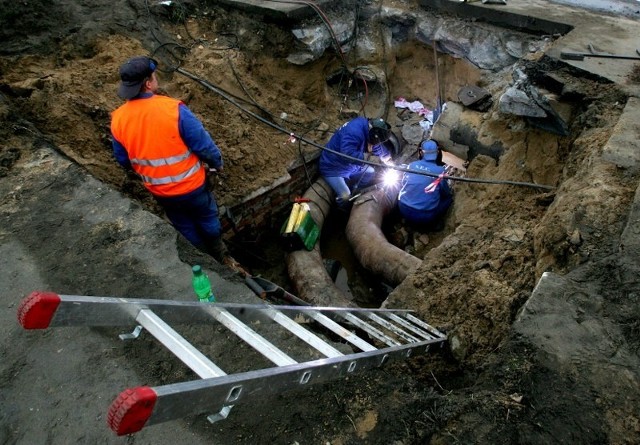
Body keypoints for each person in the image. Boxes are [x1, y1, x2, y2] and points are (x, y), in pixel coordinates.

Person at [110, 56, 229, 262]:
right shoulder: (173, 109)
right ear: (148, 83)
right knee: (207, 218)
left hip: (162, 192)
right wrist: (217, 164)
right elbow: (203, 146)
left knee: (184, 225)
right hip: (193, 187)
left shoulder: (118, 119)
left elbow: (123, 160)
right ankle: (220, 254)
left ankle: (206, 261)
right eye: (154, 76)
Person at [319, 117, 393, 207]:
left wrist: (388, 159)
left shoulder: (370, 130)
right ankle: (342, 209)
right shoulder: (354, 132)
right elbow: (347, 154)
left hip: (351, 166)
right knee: (345, 196)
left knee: (370, 172)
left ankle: (357, 192)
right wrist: (368, 158)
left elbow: (376, 145)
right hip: (333, 166)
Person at [397, 139, 453, 230]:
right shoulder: (440, 171)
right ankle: (431, 226)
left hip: (403, 207)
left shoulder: (412, 165)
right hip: (424, 215)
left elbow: (403, 183)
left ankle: (407, 221)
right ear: (437, 152)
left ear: (421, 153)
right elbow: (445, 192)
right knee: (449, 198)